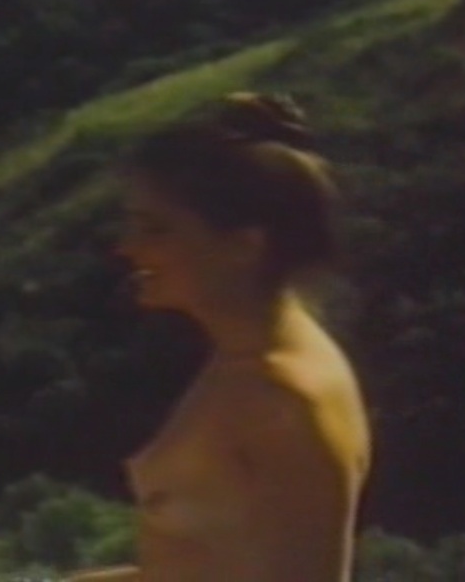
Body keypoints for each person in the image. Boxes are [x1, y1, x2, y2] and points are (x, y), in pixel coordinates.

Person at [67, 92, 372, 582]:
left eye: (155, 229)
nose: (128, 247)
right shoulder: (245, 361)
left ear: (244, 245)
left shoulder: (279, 397)